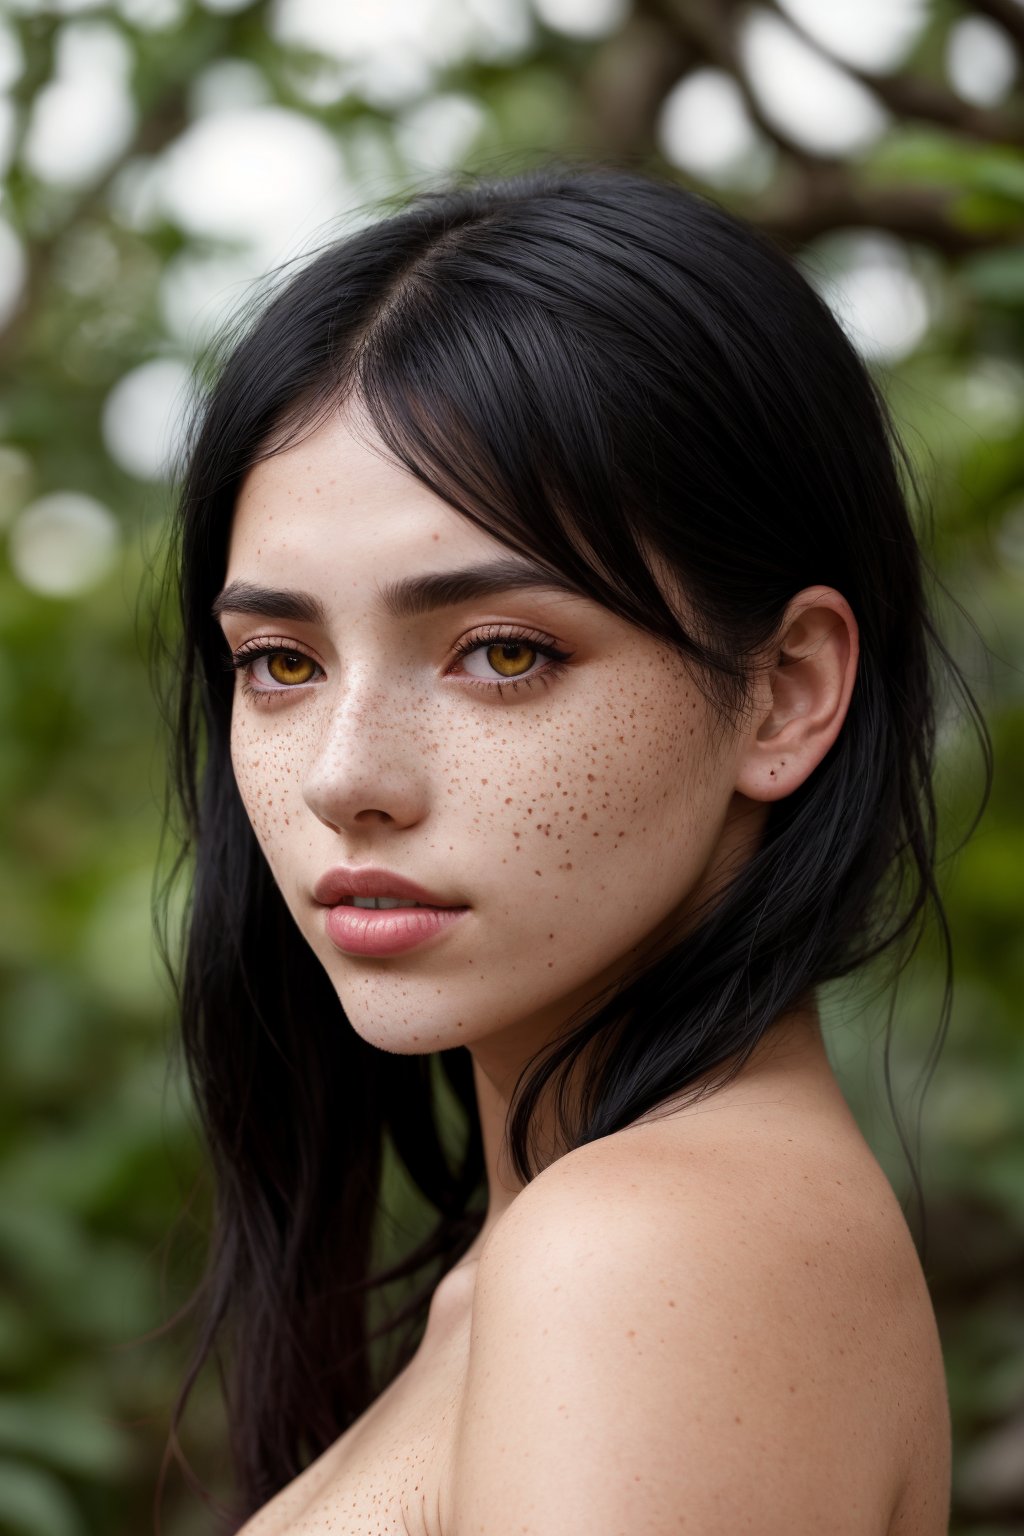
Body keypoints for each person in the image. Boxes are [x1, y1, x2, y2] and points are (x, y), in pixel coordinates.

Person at [155, 162, 985, 1535]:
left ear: (783, 693)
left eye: (502, 651)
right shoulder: (592, 1246)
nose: (347, 778)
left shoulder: (654, 1251)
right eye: (282, 661)